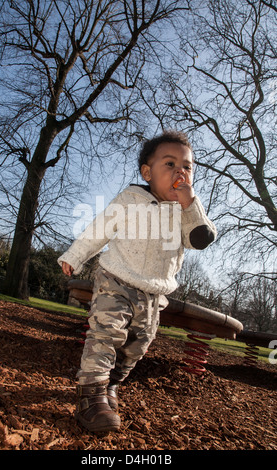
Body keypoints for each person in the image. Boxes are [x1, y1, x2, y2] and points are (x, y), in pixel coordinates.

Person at [58, 130, 217, 432]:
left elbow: (201, 238)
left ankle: (111, 385)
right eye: (169, 164)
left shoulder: (187, 213)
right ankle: (90, 395)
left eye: (187, 166)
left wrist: (191, 204)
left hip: (153, 294)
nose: (180, 172)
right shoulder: (131, 199)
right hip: (115, 280)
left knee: (136, 346)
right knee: (106, 334)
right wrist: (75, 255)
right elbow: (99, 228)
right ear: (148, 172)